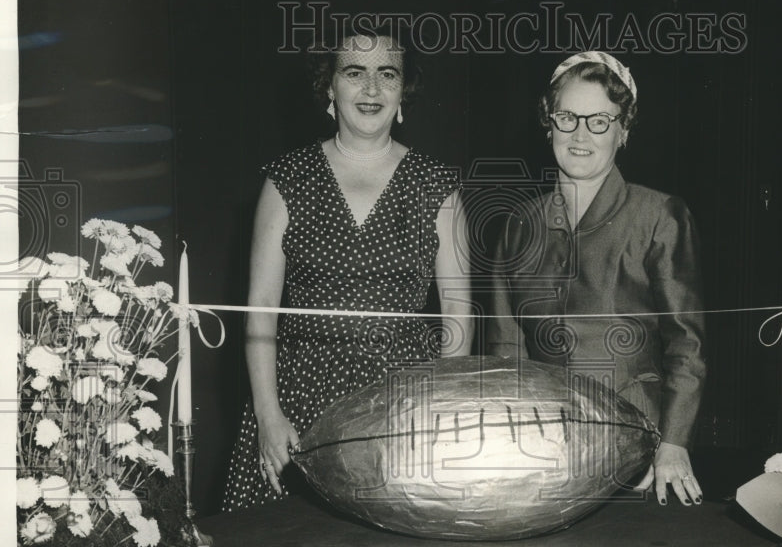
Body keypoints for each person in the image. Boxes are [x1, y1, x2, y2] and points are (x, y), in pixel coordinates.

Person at [222, 28, 471, 511]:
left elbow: (458, 314)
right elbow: (260, 309)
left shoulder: (437, 186)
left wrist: (438, 411)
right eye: (354, 72)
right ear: (330, 88)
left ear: (403, 91)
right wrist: (268, 415)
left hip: (403, 406)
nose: (372, 88)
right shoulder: (287, 179)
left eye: (387, 73)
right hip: (298, 402)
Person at [485, 51, 706, 507]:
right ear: (548, 123)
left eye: (600, 121)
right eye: (567, 117)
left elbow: (687, 343)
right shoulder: (517, 224)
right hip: (540, 450)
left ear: (623, 130)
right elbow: (506, 349)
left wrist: (674, 443)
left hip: (636, 451)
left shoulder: (659, 215)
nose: (581, 134)